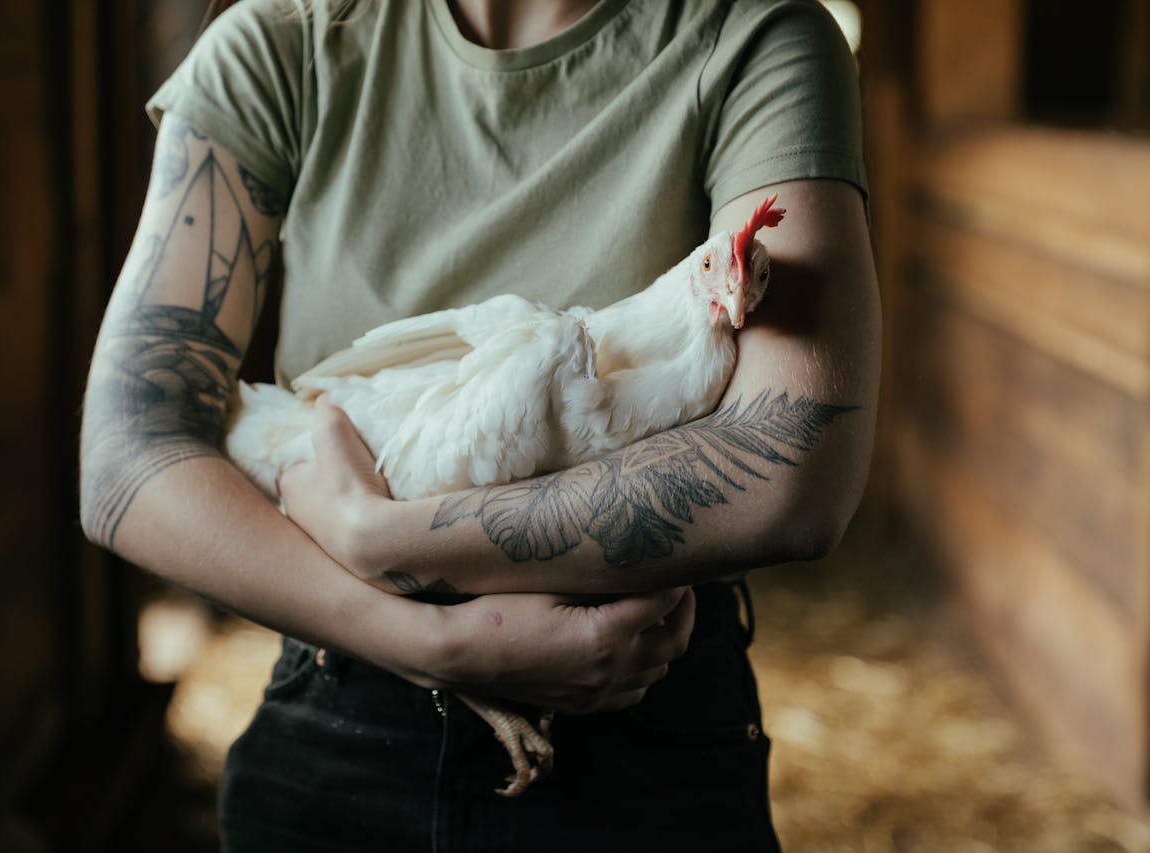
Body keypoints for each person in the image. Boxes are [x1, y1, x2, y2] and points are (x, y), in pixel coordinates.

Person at [79, 0, 880, 849]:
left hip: (640, 706)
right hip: (343, 692)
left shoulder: (755, 36)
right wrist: (433, 639)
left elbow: (796, 473)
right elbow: (128, 454)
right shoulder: (285, 39)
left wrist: (379, 533)